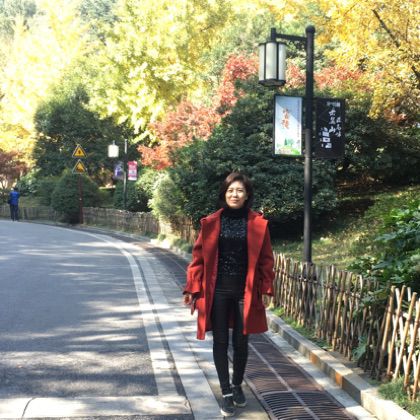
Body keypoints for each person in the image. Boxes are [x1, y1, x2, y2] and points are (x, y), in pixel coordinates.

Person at [183, 172, 275, 417]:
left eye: (240, 191)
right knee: (221, 342)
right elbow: (198, 258)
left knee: (241, 342)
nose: (235, 194)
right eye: (230, 190)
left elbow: (266, 259)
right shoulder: (211, 223)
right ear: (224, 194)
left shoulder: (258, 224)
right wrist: (192, 287)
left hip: (246, 291)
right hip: (218, 291)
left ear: (247, 195)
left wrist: (266, 288)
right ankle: (225, 392)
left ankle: (237, 385)